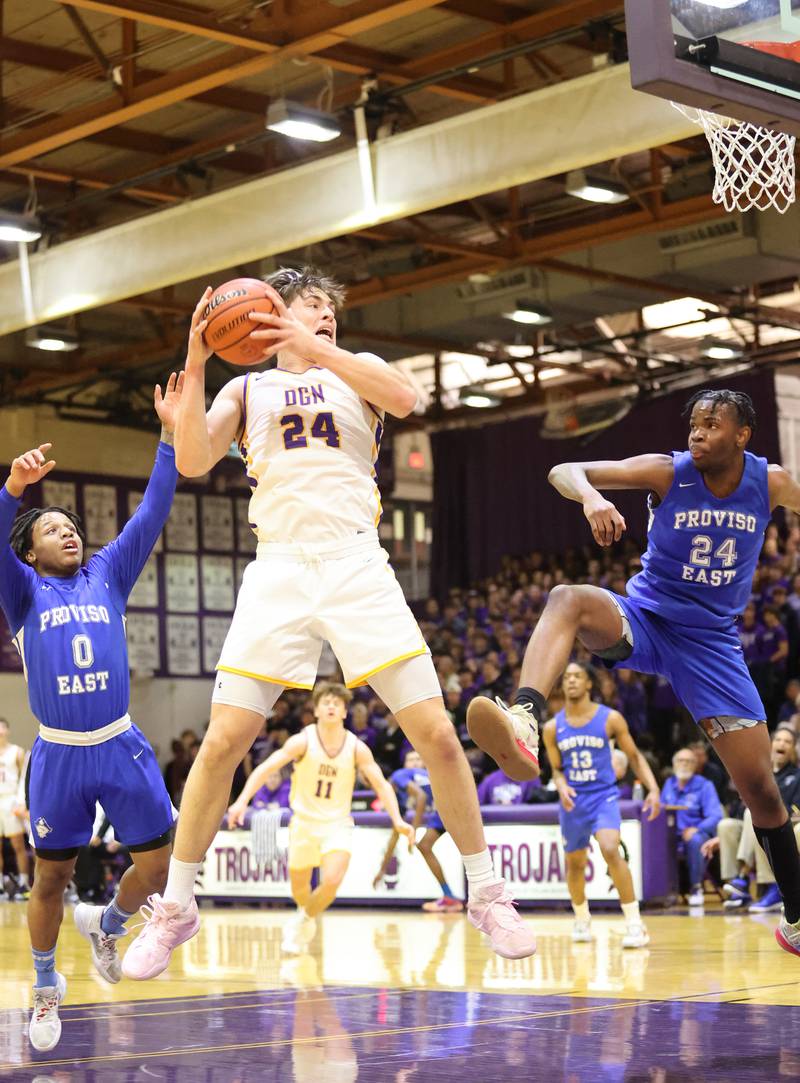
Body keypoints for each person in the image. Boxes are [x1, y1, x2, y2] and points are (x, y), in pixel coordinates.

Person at [122, 267, 535, 979]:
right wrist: (195, 361)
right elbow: (191, 458)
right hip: (279, 566)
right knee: (222, 741)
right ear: (272, 315)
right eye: (313, 311)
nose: (326, 322)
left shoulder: (359, 369)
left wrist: (321, 351)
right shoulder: (244, 387)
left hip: (355, 563)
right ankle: (176, 907)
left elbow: (407, 397)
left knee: (436, 732)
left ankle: (486, 891)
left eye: (330, 315)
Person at [467, 387, 800, 956]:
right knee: (567, 598)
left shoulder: (770, 482)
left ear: (742, 435)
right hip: (645, 618)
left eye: (712, 425)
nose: (698, 433)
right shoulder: (667, 472)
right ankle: (523, 715)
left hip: (712, 645)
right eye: (694, 423)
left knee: (762, 794)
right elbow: (563, 467)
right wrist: (592, 498)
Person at [0, 374, 183, 1051]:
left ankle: (109, 923)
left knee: (160, 870)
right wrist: (14, 489)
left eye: (72, 524)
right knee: (49, 876)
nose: (68, 531)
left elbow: (152, 512)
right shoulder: (22, 594)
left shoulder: (107, 573)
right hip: (58, 753)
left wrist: (167, 435)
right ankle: (46, 986)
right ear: (28, 552)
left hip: (119, 742)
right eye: (53, 527)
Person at [227, 681, 414, 952]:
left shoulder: (356, 747)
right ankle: (306, 913)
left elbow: (382, 785)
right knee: (300, 888)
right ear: (315, 710)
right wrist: (242, 801)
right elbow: (266, 768)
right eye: (326, 702)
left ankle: (302, 920)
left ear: (344, 713)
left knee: (332, 880)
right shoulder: (302, 741)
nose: (331, 706)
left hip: (337, 824)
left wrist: (397, 819)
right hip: (302, 823)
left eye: (337, 703)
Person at [541, 662, 659, 946]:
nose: (571, 681)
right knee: (575, 863)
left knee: (610, 848)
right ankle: (582, 919)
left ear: (589, 684)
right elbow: (556, 770)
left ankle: (635, 924)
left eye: (577, 676)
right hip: (574, 801)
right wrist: (560, 784)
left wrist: (654, 789)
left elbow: (634, 756)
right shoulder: (552, 727)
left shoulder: (610, 718)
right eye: (566, 677)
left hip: (603, 795)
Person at [712, 727, 800, 912]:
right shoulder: (759, 772)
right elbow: (737, 808)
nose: (782, 744)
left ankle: (751, 881)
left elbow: (795, 809)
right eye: (778, 740)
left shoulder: (797, 776)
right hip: (750, 824)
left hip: (786, 823)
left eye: (787, 742)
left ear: (793, 749)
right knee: (727, 825)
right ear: (770, 744)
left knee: (757, 814)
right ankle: (734, 883)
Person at [372, 750, 462, 912]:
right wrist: (382, 870)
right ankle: (450, 897)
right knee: (426, 846)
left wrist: (413, 830)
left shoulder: (398, 776)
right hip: (454, 800)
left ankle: (450, 898)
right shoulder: (405, 790)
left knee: (425, 847)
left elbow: (421, 797)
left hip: (448, 803)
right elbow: (394, 836)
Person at [661, 748, 723, 907]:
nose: (684, 764)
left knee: (695, 840)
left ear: (695, 765)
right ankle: (661, 891)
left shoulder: (705, 785)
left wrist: (698, 828)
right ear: (674, 765)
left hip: (697, 835)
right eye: (680, 761)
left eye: (688, 761)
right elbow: (662, 811)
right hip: (672, 835)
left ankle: (696, 888)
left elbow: (716, 815)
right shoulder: (669, 784)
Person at [0, 718, 31, 899]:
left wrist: (20, 801)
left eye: (2, 728)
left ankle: (23, 882)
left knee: (18, 844)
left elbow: (23, 779)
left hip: (11, 800)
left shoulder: (17, 752)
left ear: (8, 730)